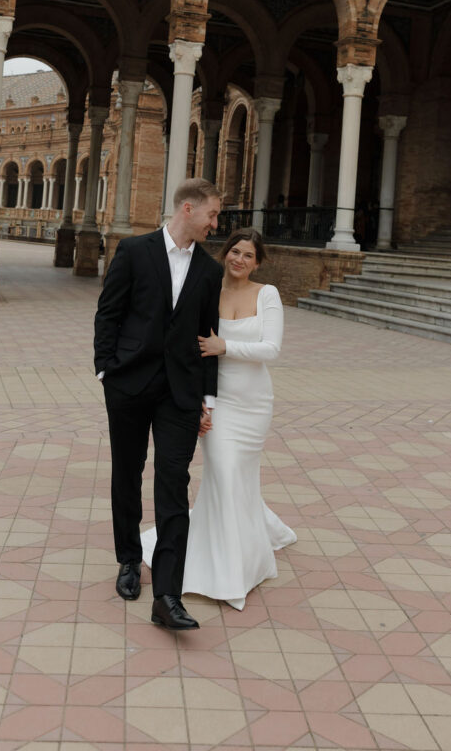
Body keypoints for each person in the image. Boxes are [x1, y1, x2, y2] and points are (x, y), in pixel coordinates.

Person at [142, 229, 296, 610]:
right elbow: (190, 349)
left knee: (239, 475)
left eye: (248, 255)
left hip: (254, 402)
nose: (239, 259)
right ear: (225, 254)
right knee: (223, 473)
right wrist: (200, 403)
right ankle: (228, 569)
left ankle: (246, 543)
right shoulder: (209, 288)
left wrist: (224, 345)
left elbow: (271, 349)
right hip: (217, 400)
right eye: (234, 251)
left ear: (257, 262)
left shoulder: (267, 295)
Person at [94, 177, 223, 631]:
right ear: (188, 208)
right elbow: (108, 312)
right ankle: (129, 560)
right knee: (126, 473)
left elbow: (207, 337)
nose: (215, 223)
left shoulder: (210, 271)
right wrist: (106, 369)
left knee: (173, 482)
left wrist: (208, 397)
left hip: (180, 393)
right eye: (212, 214)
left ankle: (167, 594)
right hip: (128, 384)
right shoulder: (134, 251)